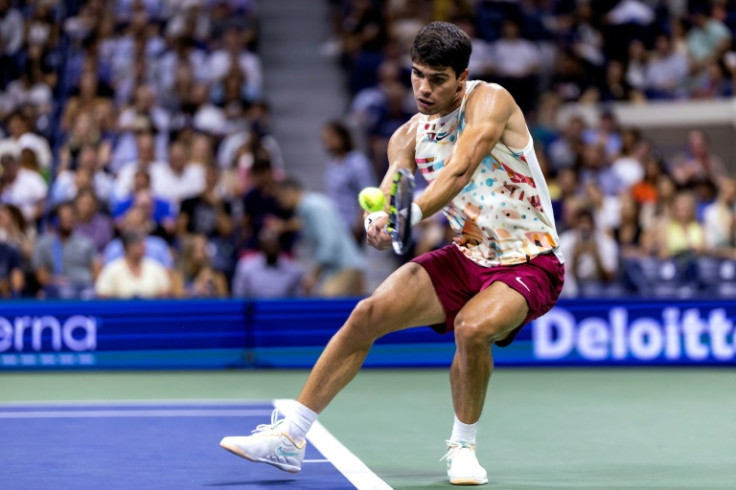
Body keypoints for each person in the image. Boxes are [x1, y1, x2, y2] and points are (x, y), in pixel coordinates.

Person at [219, 22, 564, 486]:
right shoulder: (405, 136)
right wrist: (377, 222)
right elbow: (389, 192)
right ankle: (290, 439)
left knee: (472, 327)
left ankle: (463, 447)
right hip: (467, 255)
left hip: (530, 258)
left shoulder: (491, 101)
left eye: (437, 79)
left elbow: (461, 167)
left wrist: (413, 213)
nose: (423, 88)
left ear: (461, 79)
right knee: (367, 313)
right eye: (417, 74)